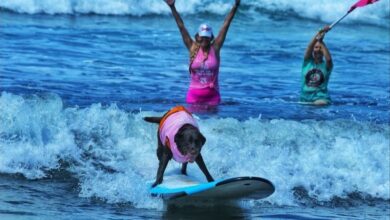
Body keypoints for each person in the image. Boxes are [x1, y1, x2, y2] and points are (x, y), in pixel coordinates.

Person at [164, 0, 240, 106]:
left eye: (207, 36)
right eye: (202, 36)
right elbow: (181, 27)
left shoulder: (216, 48)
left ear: (211, 37)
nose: (204, 38)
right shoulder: (192, 47)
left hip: (213, 98)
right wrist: (172, 7)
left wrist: (236, 6)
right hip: (193, 98)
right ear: (197, 36)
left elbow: (226, 24)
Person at [300, 26, 333, 105]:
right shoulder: (307, 62)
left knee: (319, 104)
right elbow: (309, 47)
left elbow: (328, 59)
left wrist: (321, 41)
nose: (318, 49)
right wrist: (319, 32)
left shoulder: (327, 66)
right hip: (304, 98)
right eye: (316, 47)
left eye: (320, 48)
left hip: (320, 97)